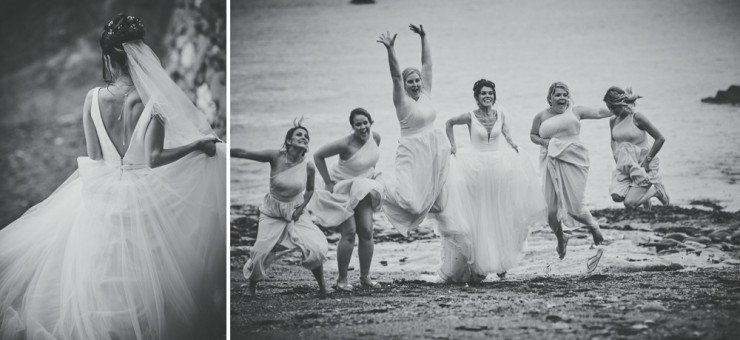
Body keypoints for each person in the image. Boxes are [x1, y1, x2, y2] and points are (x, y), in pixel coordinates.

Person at [0, 14, 225, 339]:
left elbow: (94, 155)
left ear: (109, 58)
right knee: (142, 265)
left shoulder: (92, 98)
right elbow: (155, 158)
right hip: (143, 193)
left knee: (100, 263)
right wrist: (196, 146)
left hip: (102, 189)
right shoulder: (154, 103)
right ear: (138, 56)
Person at [439, 79, 545, 282]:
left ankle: (502, 263)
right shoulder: (470, 116)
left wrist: (512, 142)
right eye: (483, 93)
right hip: (476, 168)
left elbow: (505, 131)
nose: (487, 96)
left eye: (490, 93)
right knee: (481, 215)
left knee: (501, 214)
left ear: (494, 96)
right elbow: (449, 123)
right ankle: (480, 263)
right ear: (477, 97)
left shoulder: (501, 114)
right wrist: (453, 146)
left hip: (498, 168)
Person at [232, 122, 329, 298]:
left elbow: (309, 190)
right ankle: (251, 288)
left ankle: (323, 287)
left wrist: (300, 209)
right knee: (261, 251)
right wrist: (224, 149)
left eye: (306, 136)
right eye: (299, 134)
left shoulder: (308, 166)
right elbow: (245, 153)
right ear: (289, 140)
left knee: (313, 247)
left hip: (295, 213)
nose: (304, 138)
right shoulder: (275, 156)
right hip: (272, 213)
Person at [376, 24, 450, 236]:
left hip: (433, 150)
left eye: (417, 80)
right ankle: (379, 186)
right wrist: (390, 50)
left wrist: (424, 37)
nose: (416, 84)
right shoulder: (402, 102)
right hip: (411, 151)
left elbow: (427, 64)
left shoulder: (426, 92)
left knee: (440, 204)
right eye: (411, 82)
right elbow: (395, 77)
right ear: (406, 85)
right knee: (411, 203)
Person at [529, 82, 611, 261]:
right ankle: (561, 238)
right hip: (550, 160)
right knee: (550, 212)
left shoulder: (575, 111)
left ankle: (593, 226)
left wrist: (622, 105)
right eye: (557, 95)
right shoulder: (541, 116)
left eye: (565, 95)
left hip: (574, 158)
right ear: (550, 97)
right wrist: (545, 143)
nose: (562, 98)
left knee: (575, 207)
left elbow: (599, 112)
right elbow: (533, 135)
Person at [308, 108, 383, 291]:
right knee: (349, 232)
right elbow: (318, 155)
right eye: (358, 124)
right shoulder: (345, 144)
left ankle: (365, 278)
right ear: (352, 126)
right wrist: (327, 182)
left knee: (366, 231)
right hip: (341, 189)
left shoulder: (376, 138)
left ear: (370, 122)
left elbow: (370, 160)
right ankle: (342, 280)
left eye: (365, 122)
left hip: (362, 187)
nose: (363, 127)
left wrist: (370, 177)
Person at [605, 86, 669, 208]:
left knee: (629, 203)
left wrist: (647, 161)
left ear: (622, 103)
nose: (612, 111)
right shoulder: (613, 120)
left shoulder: (637, 117)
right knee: (616, 196)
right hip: (625, 165)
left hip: (643, 165)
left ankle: (656, 191)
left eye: (613, 107)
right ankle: (647, 210)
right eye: (609, 108)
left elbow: (660, 138)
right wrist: (615, 154)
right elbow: (613, 139)